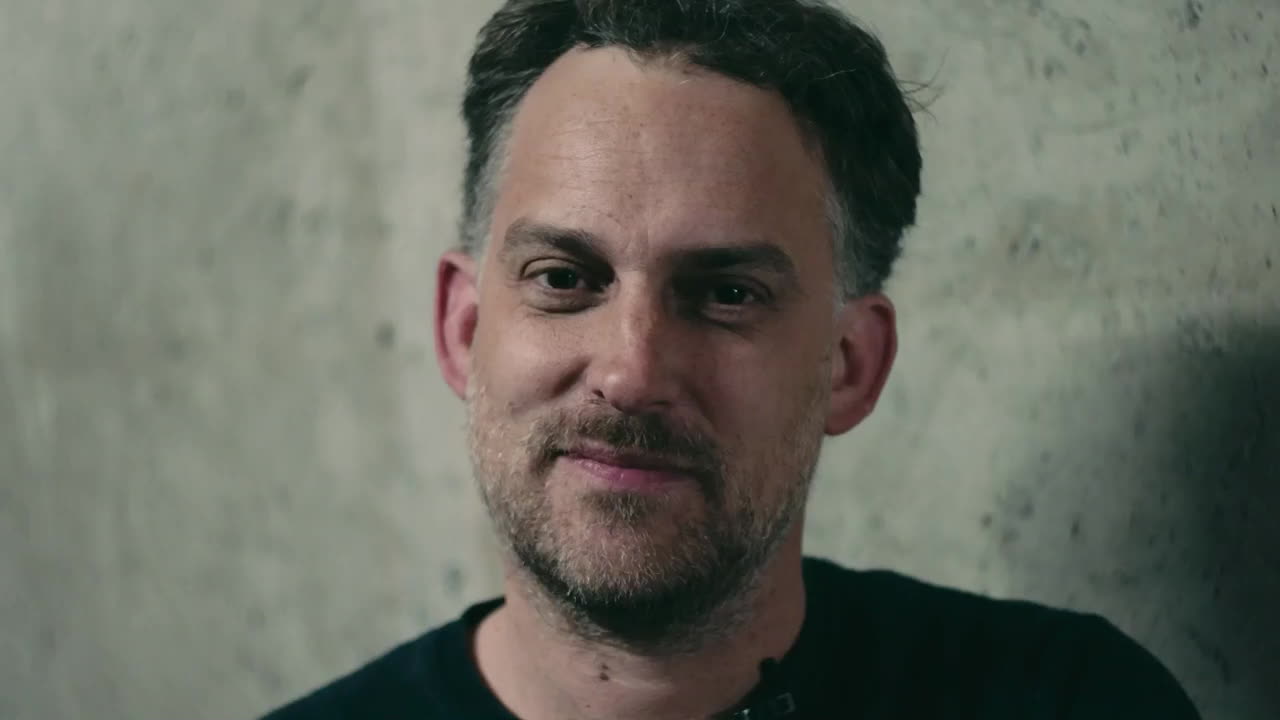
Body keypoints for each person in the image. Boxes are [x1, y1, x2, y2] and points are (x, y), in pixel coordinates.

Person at [261, 1, 1200, 718]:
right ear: (464, 329)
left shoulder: (1074, 701)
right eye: (564, 278)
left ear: (849, 365)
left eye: (728, 295)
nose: (631, 372)